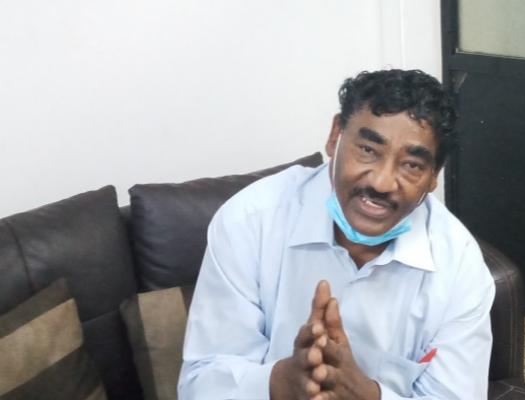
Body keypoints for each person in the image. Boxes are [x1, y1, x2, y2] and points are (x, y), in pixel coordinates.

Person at [178, 69, 495, 399]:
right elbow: (201, 384)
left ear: (433, 178)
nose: (381, 183)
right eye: (368, 150)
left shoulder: (459, 265)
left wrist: (369, 396)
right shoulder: (248, 222)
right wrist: (279, 383)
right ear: (334, 137)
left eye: (412, 165)